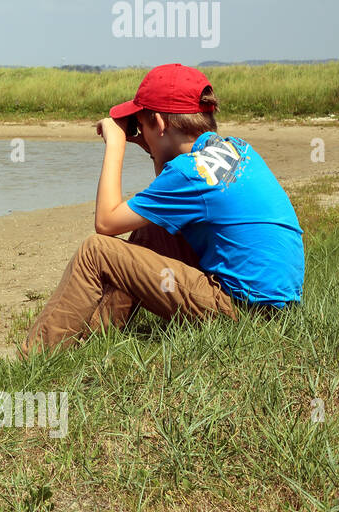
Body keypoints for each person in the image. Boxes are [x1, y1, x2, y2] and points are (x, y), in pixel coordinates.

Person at [21, 63, 304, 355]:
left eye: (140, 126)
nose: (139, 134)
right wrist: (154, 145)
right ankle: (94, 342)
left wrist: (116, 145)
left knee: (95, 251)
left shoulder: (190, 172)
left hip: (241, 313)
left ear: (159, 121)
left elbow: (106, 223)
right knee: (154, 227)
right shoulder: (236, 149)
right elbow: (166, 198)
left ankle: (36, 357)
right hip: (275, 311)